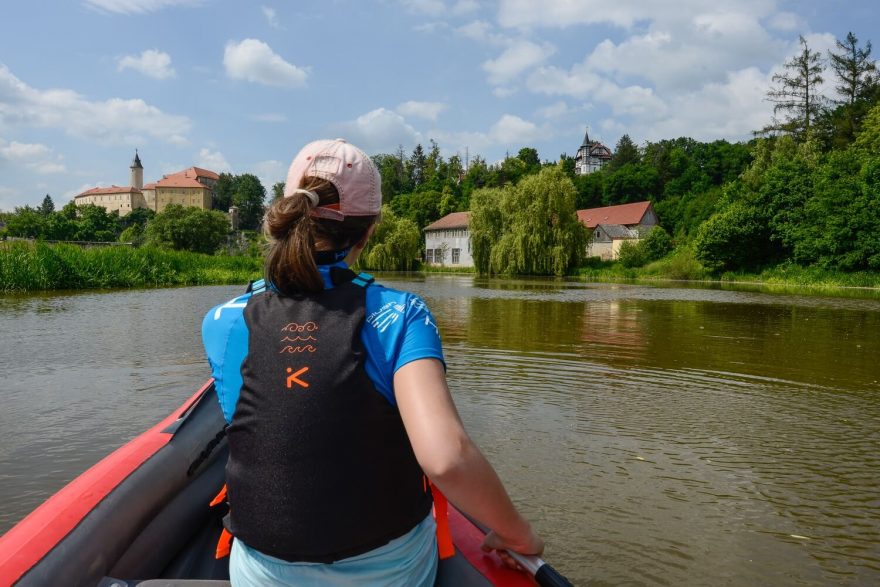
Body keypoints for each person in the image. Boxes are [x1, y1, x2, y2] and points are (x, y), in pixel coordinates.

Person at [202, 138, 543, 586]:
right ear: (371, 229)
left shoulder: (221, 320)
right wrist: (519, 537)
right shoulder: (400, 315)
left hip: (258, 572)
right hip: (387, 572)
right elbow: (446, 460)